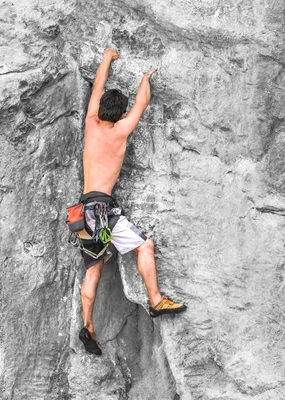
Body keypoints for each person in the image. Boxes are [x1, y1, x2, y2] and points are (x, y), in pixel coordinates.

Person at [77, 48, 187, 356]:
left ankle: (88, 325)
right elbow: (142, 102)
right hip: (103, 210)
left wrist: (107, 59)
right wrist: (146, 77)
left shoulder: (90, 123)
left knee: (93, 270)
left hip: (82, 211)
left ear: (99, 109)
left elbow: (98, 87)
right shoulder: (121, 131)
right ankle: (156, 301)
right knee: (145, 246)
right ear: (121, 114)